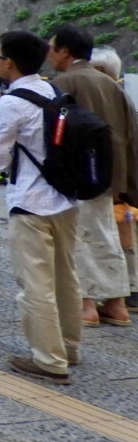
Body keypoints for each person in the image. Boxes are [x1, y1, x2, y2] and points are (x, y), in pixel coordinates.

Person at [0, 30, 82, 384]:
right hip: (66, 199)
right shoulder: (53, 91)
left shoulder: (11, 101)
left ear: (9, 62)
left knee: (35, 283)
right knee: (66, 277)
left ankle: (50, 359)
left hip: (30, 201)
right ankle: (69, 347)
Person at [47, 23, 133, 327]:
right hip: (110, 175)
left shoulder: (63, 83)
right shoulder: (111, 84)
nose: (49, 53)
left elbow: (54, 135)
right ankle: (116, 303)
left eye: (52, 48)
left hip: (77, 175)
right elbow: (131, 133)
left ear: (64, 52)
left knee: (78, 237)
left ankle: (86, 305)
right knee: (105, 235)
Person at [91, 46, 138, 307]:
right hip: (124, 179)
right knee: (122, 234)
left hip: (119, 181)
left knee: (120, 235)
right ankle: (128, 291)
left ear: (100, 70)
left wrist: (119, 183)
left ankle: (128, 291)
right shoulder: (120, 96)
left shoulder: (111, 98)